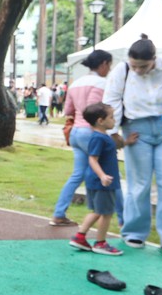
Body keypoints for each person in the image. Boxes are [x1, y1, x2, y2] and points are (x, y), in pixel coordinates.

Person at [103, 34, 162, 256]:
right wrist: (113, 131)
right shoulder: (122, 70)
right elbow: (112, 99)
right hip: (137, 129)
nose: (137, 70)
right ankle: (134, 232)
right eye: (134, 65)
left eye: (143, 66)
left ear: (154, 59)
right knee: (139, 183)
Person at [50, 49, 117, 227]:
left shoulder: (75, 83)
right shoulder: (102, 84)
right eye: (109, 65)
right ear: (103, 64)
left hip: (76, 132)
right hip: (91, 132)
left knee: (78, 174)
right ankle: (123, 219)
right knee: (109, 173)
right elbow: (94, 111)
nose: (109, 69)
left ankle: (59, 213)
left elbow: (69, 111)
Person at [68, 103, 123, 256]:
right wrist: (103, 176)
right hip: (102, 182)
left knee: (97, 211)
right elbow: (92, 159)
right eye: (111, 117)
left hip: (96, 181)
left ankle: (80, 237)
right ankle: (100, 242)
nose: (114, 120)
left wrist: (128, 142)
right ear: (100, 121)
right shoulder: (99, 138)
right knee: (106, 213)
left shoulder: (102, 137)